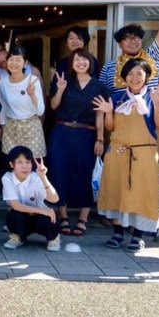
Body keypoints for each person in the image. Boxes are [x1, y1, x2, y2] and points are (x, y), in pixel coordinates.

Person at [93, 58, 159, 253]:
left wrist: (157, 103)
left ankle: (138, 236)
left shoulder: (154, 96)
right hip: (118, 152)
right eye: (130, 74)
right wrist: (108, 112)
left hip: (144, 154)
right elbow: (111, 127)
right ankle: (117, 233)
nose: (134, 78)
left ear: (147, 76)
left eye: (139, 74)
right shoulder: (117, 96)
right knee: (117, 191)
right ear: (124, 76)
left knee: (142, 193)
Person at [47, 49, 109, 237]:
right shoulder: (65, 81)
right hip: (62, 132)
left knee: (85, 173)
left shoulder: (99, 86)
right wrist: (60, 89)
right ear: (71, 64)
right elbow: (53, 105)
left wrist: (100, 139)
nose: (80, 62)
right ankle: (63, 215)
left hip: (86, 134)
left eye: (84, 59)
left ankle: (83, 217)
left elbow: (100, 115)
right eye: (76, 59)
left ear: (90, 62)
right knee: (59, 173)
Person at [2, 146, 60, 252]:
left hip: (39, 218)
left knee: (48, 218)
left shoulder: (36, 177)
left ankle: (53, 237)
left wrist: (43, 177)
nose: (24, 166)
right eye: (19, 162)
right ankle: (18, 236)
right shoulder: (7, 178)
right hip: (22, 215)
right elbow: (16, 205)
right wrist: (44, 211)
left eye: (27, 162)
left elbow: (55, 199)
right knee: (13, 216)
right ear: (11, 164)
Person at [0, 46, 46, 159]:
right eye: (11, 59)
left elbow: (40, 111)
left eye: (18, 60)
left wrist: (32, 95)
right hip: (11, 128)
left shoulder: (32, 80)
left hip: (31, 127)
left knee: (32, 162)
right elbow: (3, 107)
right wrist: (3, 127)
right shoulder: (3, 83)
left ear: (25, 63)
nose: (14, 63)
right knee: (13, 162)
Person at [50, 27, 100, 93]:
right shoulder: (63, 63)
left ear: (85, 41)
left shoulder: (92, 61)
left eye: (78, 38)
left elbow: (95, 87)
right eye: (71, 38)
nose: (75, 41)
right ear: (67, 43)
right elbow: (54, 88)